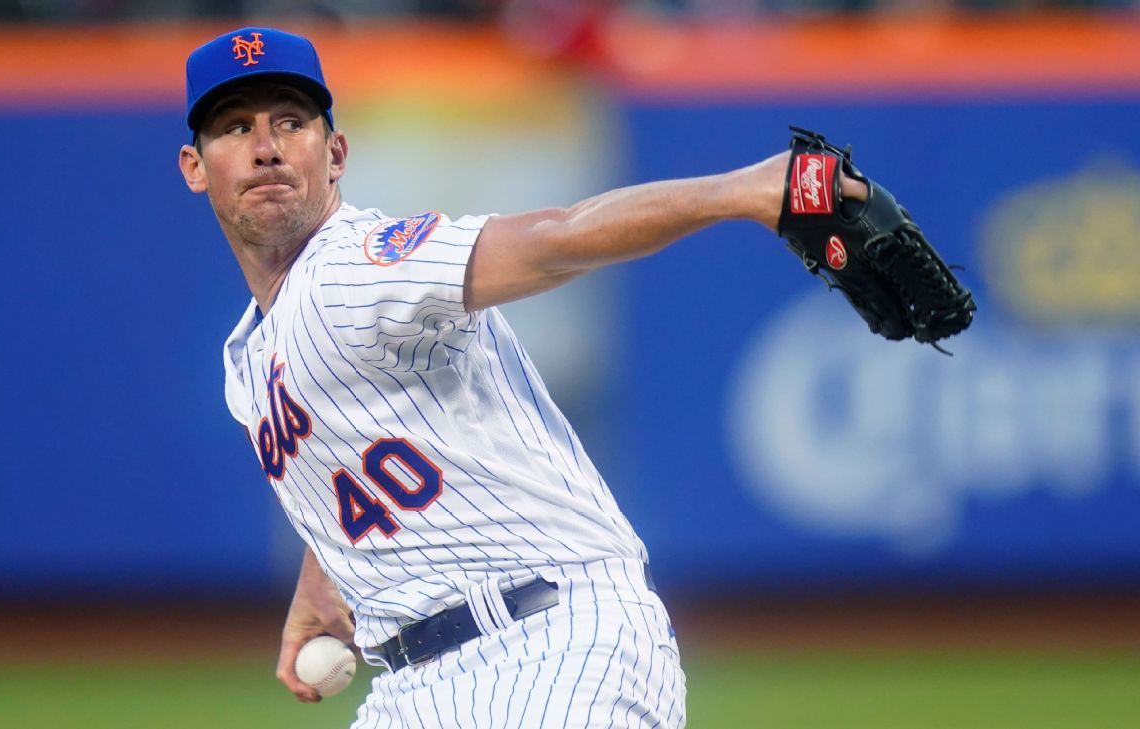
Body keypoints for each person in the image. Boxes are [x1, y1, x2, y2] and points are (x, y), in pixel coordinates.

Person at [178, 26, 867, 729]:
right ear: (195, 167)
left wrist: (745, 189)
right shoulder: (251, 355)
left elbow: (555, 238)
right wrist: (324, 572)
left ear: (337, 154)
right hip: (413, 686)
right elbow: (371, 437)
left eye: (291, 122)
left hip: (552, 647)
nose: (266, 146)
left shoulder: (358, 265)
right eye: (235, 127)